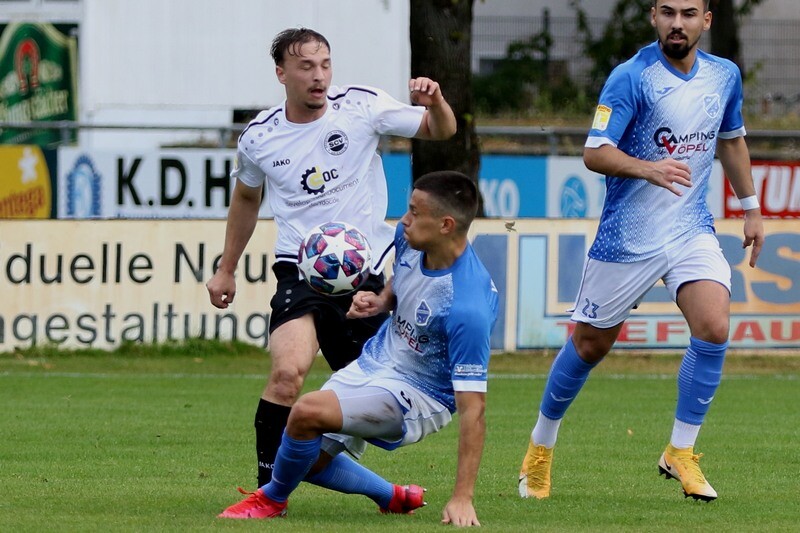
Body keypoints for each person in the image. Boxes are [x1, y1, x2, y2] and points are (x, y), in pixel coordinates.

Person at [518, 0, 764, 503]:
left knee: (714, 325)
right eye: (668, 12)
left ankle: (681, 451)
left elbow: (732, 140)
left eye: (689, 13)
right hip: (627, 239)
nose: (678, 23)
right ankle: (540, 448)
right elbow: (595, 152)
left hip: (691, 229)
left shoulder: (724, 75)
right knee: (590, 345)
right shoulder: (631, 77)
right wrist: (648, 168)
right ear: (653, 16)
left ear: (706, 20)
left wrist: (751, 208)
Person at [206, 28, 456, 488]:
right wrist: (226, 269)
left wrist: (435, 102)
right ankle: (267, 494)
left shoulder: (361, 106)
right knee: (287, 374)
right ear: (281, 74)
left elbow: (441, 130)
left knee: (372, 398)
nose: (318, 76)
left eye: (324, 65)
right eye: (305, 66)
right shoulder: (260, 137)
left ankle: (384, 491)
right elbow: (245, 198)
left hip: (366, 278)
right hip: (300, 271)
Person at [218, 171, 499, 526]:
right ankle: (392, 495)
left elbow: (474, 409)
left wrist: (462, 498)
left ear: (446, 225)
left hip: (420, 395)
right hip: (376, 361)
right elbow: (403, 278)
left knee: (305, 412)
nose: (403, 220)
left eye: (414, 212)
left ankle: (270, 500)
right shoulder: (410, 239)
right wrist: (382, 300)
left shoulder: (467, 307)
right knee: (302, 456)